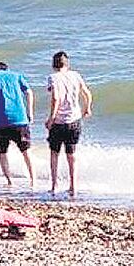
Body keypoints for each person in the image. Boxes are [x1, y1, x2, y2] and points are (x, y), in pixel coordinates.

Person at [0, 61, 35, 188]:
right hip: (20, 120)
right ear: (7, 69)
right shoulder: (17, 76)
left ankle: (10, 182)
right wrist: (30, 112)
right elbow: (28, 92)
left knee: (2, 153)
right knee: (26, 151)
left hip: (0, 122)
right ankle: (33, 180)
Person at [45, 51, 93, 196]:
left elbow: (56, 98)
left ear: (54, 65)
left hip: (59, 121)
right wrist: (87, 108)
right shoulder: (76, 75)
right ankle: (73, 186)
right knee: (71, 154)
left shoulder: (53, 78)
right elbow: (87, 93)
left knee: (54, 153)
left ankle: (54, 185)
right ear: (67, 64)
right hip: (74, 120)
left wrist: (51, 118)